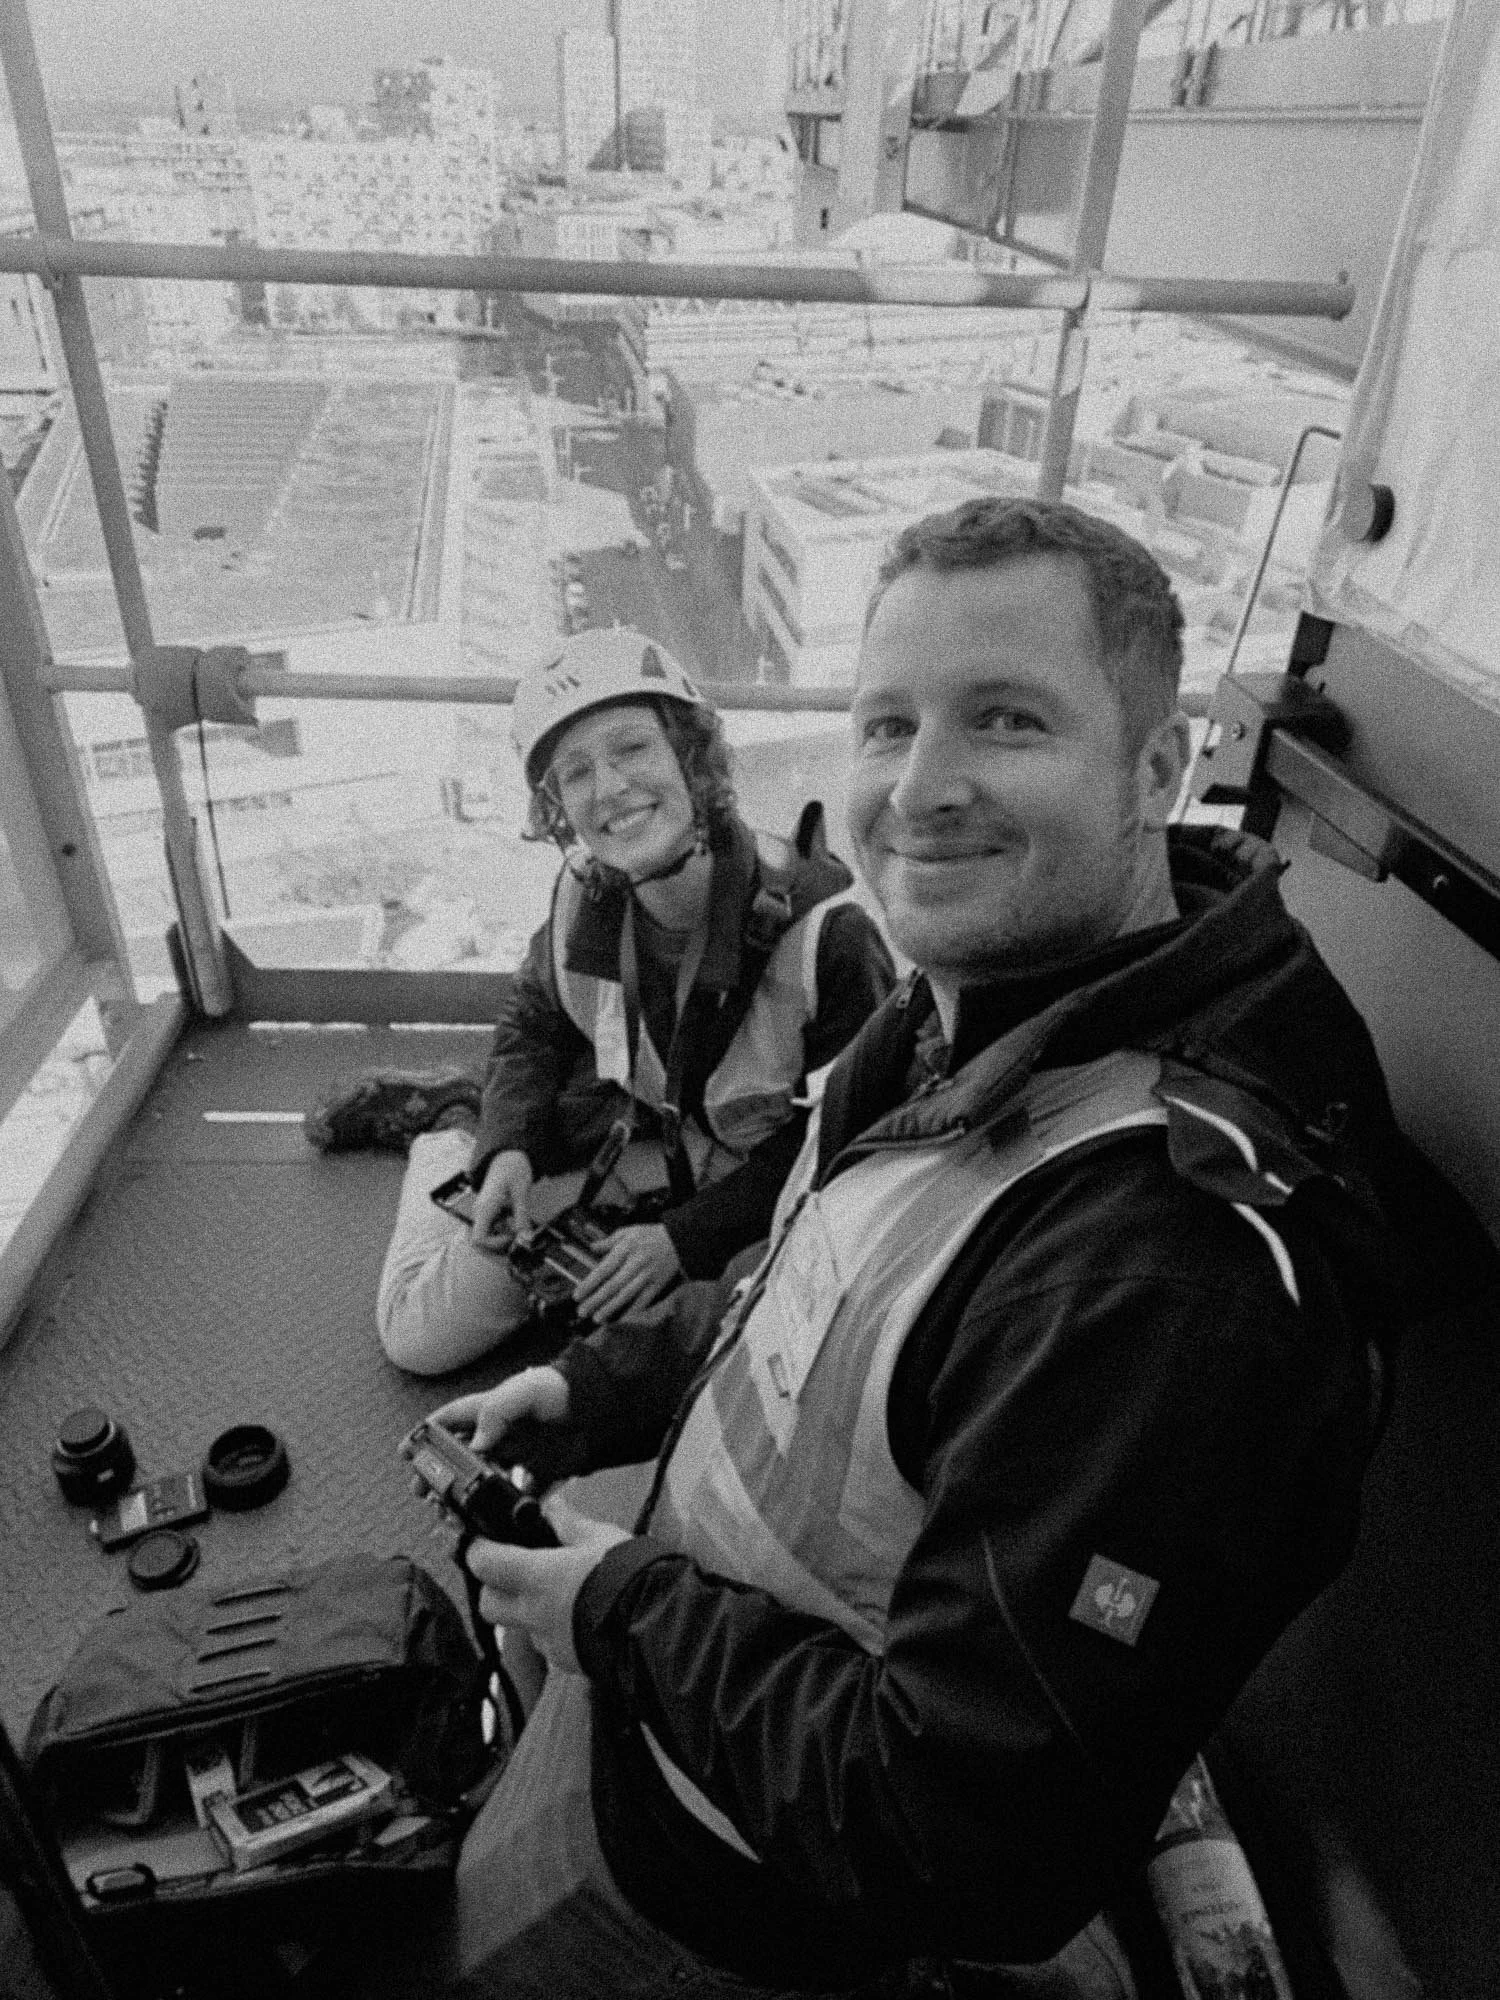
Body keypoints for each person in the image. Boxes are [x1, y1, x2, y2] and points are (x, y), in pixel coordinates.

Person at [423, 499, 1411, 1999]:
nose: (920, 788)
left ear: (1159, 767)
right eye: (886, 726)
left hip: (758, 1886)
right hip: (703, 1675)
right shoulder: (970, 1012)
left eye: (1005, 722)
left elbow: (953, 1832)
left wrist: (617, 1612)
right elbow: (821, 1291)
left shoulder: (1160, 1288)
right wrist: (594, 1392)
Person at [307, 627, 895, 1375]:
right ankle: (456, 1128)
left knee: (753, 1352)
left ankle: (478, 1113)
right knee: (421, 1335)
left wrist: (685, 1240)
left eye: (632, 749)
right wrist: (508, 1148)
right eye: (575, 772)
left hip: (756, 1184)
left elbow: (845, 1142)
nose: (609, 789)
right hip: (630, 1128)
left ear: (690, 756)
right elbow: (535, 1021)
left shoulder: (827, 935)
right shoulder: (585, 896)